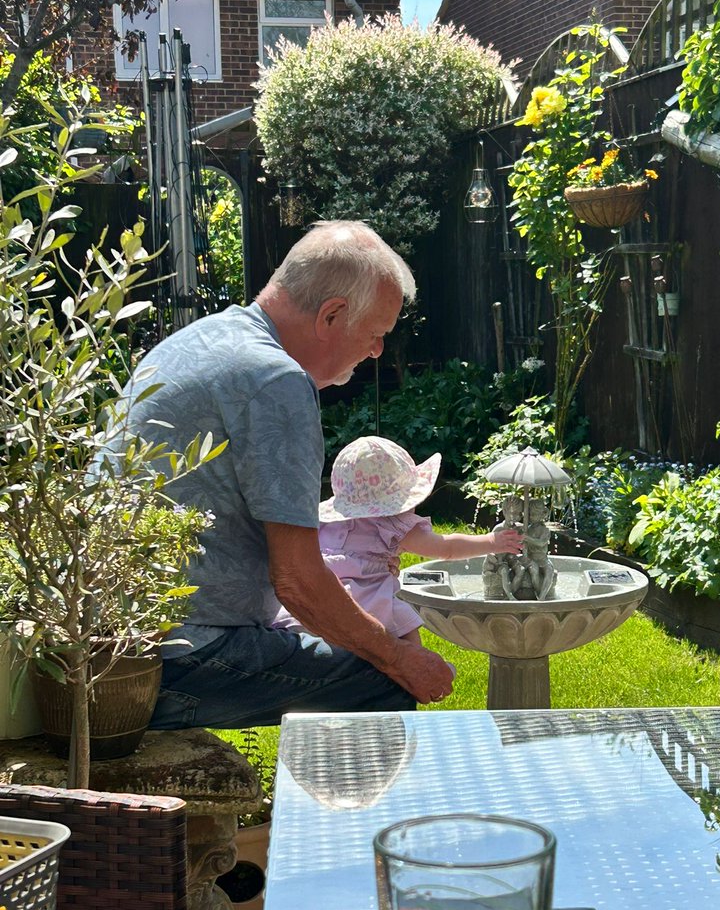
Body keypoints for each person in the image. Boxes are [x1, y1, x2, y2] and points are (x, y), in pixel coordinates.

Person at [109, 220, 457, 728]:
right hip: (172, 664)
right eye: (376, 334)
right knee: (384, 682)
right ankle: (329, 813)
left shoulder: (201, 339)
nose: (378, 350)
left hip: (112, 650)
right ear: (332, 315)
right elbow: (297, 580)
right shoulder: (276, 380)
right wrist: (401, 658)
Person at [274, 437, 522, 642]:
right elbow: (446, 548)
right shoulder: (392, 524)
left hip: (314, 603)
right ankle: (413, 679)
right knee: (406, 631)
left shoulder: (325, 521)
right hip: (367, 605)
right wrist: (492, 542)